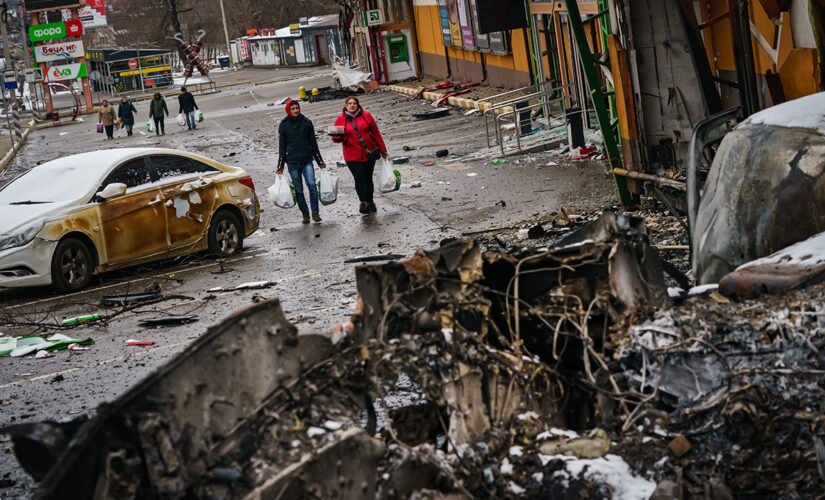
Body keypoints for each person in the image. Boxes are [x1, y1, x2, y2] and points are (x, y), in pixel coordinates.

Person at [331, 96, 387, 214]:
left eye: (354, 103)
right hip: (351, 155)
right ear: (346, 106)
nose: (352, 105)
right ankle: (363, 202)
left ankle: (370, 201)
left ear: (358, 105)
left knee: (368, 178)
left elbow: (376, 133)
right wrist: (336, 137)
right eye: (349, 103)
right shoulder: (340, 120)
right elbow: (336, 139)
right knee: (360, 178)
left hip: (369, 153)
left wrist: (382, 149)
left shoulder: (367, 116)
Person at [277, 100, 326, 224]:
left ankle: (315, 212)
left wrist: (319, 160)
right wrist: (280, 165)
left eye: (297, 108)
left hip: (306, 161)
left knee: (312, 185)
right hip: (292, 163)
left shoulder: (307, 123)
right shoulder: (284, 125)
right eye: (293, 109)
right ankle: (305, 214)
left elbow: (313, 143)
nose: (296, 111)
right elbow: (282, 146)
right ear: (289, 110)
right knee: (299, 190)